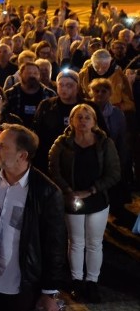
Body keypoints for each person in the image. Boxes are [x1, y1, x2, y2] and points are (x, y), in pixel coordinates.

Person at [0, 124, 67, 311]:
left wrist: (49, 292)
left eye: (2, 146)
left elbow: (54, 245)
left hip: (20, 286)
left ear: (22, 155)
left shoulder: (46, 192)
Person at [47, 104, 120, 303]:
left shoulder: (104, 144)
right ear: (71, 121)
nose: (83, 121)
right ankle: (77, 281)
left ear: (94, 122)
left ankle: (92, 281)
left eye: (87, 117)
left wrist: (92, 190)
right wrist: (68, 191)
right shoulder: (62, 143)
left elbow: (114, 172)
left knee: (95, 243)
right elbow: (54, 168)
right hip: (72, 199)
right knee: (76, 242)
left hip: (97, 200)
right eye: (79, 117)